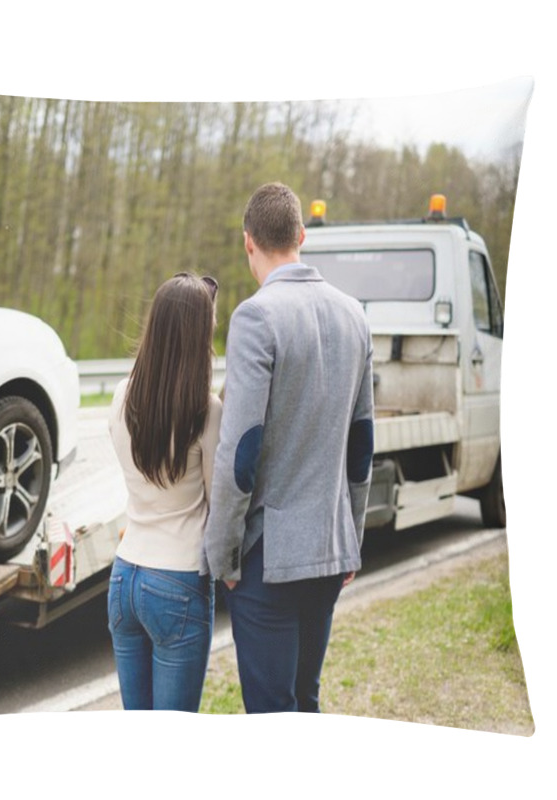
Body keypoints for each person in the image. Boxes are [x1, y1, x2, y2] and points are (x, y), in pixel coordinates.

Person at [204, 182, 374, 713]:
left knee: (274, 713)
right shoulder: (354, 315)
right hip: (328, 549)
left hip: (266, 561)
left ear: (248, 241)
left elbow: (241, 449)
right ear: (301, 236)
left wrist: (223, 553)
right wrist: (352, 536)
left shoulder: (256, 317)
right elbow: (362, 443)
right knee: (306, 699)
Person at [107, 272, 222, 711]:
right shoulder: (206, 411)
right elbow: (218, 500)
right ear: (197, 340)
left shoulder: (121, 396)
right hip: (177, 580)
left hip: (124, 577)